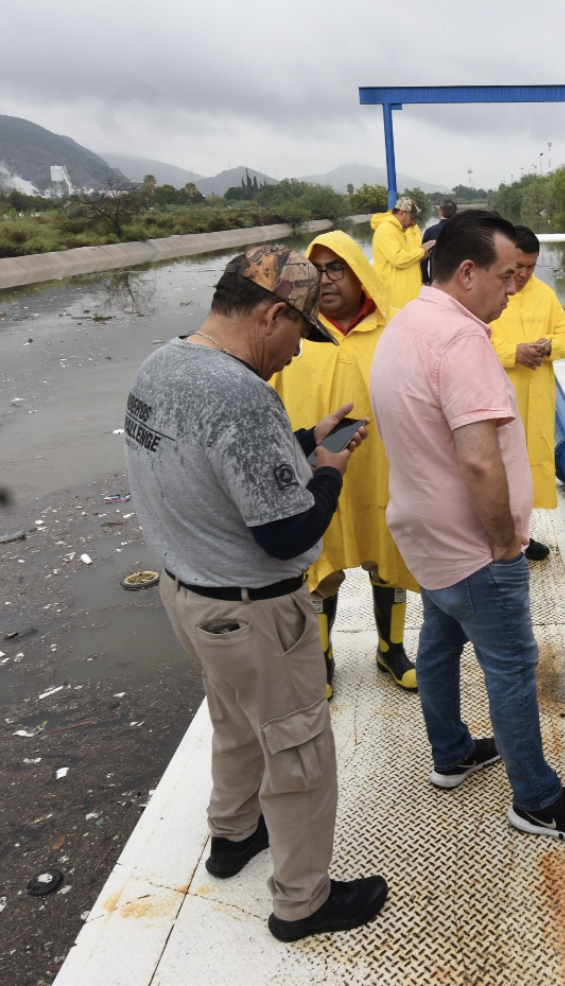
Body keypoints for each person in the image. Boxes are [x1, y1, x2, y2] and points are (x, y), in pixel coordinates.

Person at [123, 246, 387, 942]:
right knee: (298, 753)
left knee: (236, 720)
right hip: (254, 613)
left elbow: (216, 466)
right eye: (300, 331)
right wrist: (328, 469)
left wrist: (301, 440)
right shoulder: (241, 394)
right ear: (273, 313)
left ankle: (235, 833)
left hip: (190, 598)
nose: (299, 352)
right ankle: (303, 902)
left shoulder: (164, 365)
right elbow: (287, 534)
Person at [370, 209, 565, 844]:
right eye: (507, 277)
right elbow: (479, 460)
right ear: (469, 271)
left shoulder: (406, 323)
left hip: (422, 529)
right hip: (473, 545)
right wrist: (507, 542)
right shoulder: (461, 341)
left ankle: (450, 752)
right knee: (509, 665)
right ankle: (535, 798)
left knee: (440, 638)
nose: (514, 290)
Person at [269, 230, 419, 696]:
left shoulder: (397, 329)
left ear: (360, 274)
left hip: (383, 473)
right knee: (318, 568)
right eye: (316, 270)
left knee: (387, 562)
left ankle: (390, 649)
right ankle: (322, 659)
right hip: (315, 472)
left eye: (337, 268)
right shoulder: (291, 333)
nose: (326, 279)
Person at [489, 225, 565, 562]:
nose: (523, 274)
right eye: (518, 266)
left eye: (531, 267)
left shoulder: (544, 294)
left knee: (528, 463)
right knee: (497, 464)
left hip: (537, 395)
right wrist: (514, 353)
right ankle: (496, 536)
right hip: (499, 394)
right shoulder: (490, 291)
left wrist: (549, 345)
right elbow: (474, 339)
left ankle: (522, 537)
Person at [371, 195, 431, 310]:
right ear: (402, 213)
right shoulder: (386, 229)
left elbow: (407, 255)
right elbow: (398, 259)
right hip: (396, 299)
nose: (414, 222)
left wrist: (421, 255)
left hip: (407, 296)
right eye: (412, 218)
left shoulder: (401, 230)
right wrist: (421, 250)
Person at [421, 199, 456, 284]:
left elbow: (423, 257)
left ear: (440, 212)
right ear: (454, 213)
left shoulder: (430, 231)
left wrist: (425, 278)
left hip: (436, 279)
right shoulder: (462, 231)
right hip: (457, 280)